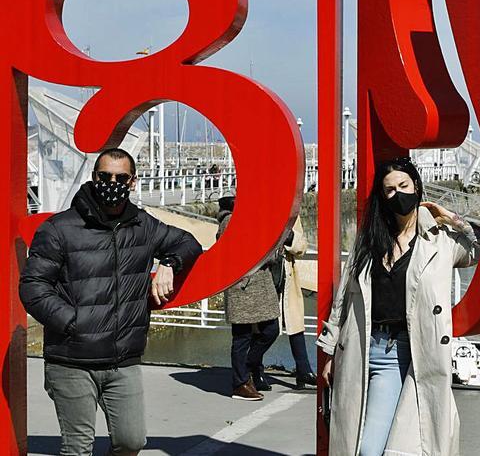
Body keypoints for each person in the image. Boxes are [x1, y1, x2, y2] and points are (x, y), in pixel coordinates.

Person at [20, 148, 203, 456]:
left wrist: (169, 264)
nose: (112, 182)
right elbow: (33, 285)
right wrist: (73, 322)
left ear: (132, 182)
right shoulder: (59, 228)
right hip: (71, 360)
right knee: (78, 447)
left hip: (123, 361)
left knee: (132, 441)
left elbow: (188, 242)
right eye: (105, 176)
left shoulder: (143, 225)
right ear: (94, 178)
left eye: (120, 177)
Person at [317, 157, 478, 456]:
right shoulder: (370, 240)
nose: (398, 195)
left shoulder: (440, 239)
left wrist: (451, 217)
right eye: (389, 190)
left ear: (416, 185)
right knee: (366, 449)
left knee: (404, 449)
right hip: (372, 349)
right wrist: (329, 351)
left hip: (420, 352)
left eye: (403, 186)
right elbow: (345, 296)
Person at [217, 195, 284, 401]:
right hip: (242, 284)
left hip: (260, 283)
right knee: (242, 336)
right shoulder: (231, 221)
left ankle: (245, 368)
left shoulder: (260, 218)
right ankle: (240, 383)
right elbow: (237, 250)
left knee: (271, 329)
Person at [279, 216, 314, 389]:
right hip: (262, 276)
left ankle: (304, 370)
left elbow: (302, 247)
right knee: (265, 329)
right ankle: (254, 369)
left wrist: (289, 236)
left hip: (285, 276)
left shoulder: (292, 213)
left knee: (295, 326)